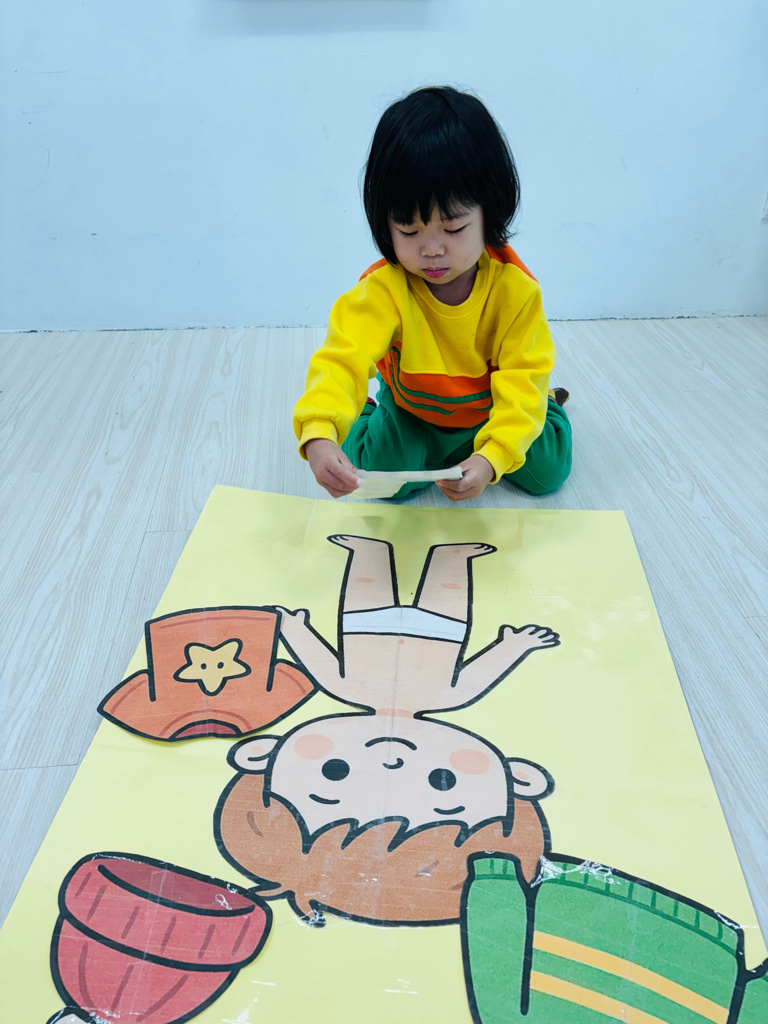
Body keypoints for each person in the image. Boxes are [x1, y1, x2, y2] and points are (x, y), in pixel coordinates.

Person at [293, 85, 572, 501]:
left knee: (548, 472)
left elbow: (522, 376)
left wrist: (492, 457)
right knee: (379, 483)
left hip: (491, 408)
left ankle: (548, 408)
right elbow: (340, 361)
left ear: (489, 212)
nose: (432, 249)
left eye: (453, 228)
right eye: (409, 231)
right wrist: (320, 432)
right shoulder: (382, 290)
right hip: (414, 412)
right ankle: (369, 411)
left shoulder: (515, 292)